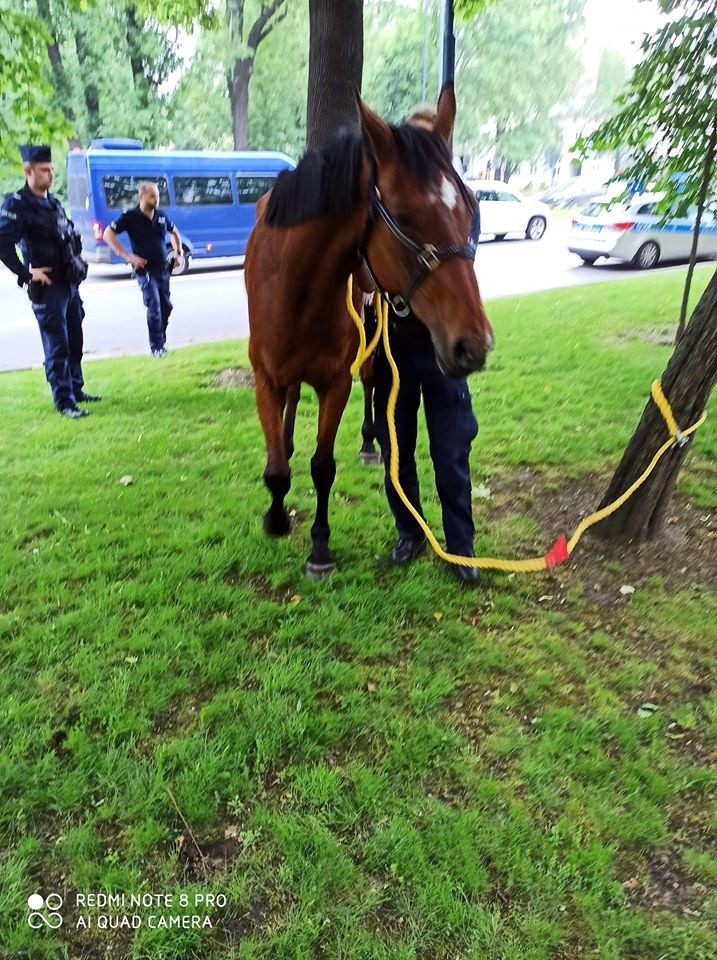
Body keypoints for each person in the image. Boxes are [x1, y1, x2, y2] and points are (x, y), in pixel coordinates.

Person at [371, 106, 481, 587]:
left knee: (450, 450)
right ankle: (410, 534)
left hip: (438, 349)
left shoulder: (455, 203)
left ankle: (461, 547)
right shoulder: (386, 205)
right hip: (392, 348)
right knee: (397, 450)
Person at [0, 145, 99, 419]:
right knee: (58, 344)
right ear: (28, 170)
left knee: (75, 339)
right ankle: (64, 402)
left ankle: (76, 389)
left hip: (68, 281)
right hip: (47, 286)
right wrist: (25, 273)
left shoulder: (52, 203)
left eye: (52, 169)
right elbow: (3, 244)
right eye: (44, 170)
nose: (51, 174)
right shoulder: (17, 205)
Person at [103, 182, 182, 357]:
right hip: (145, 271)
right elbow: (108, 234)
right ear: (141, 196)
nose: (156, 199)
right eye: (152, 195)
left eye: (157, 195)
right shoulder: (130, 217)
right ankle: (157, 347)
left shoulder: (161, 216)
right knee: (153, 306)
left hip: (163, 270)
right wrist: (128, 256)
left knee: (166, 307)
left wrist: (178, 253)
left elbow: (175, 233)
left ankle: (161, 341)